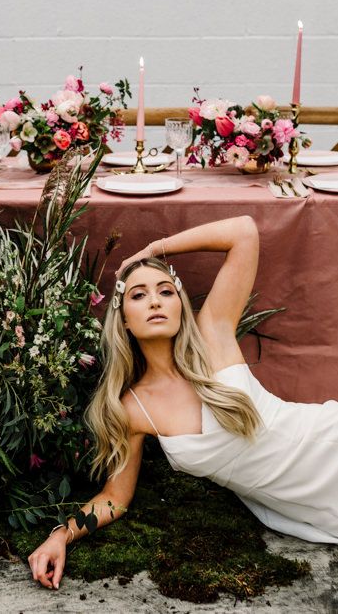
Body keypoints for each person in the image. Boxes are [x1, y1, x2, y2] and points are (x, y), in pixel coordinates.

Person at [28, 215, 338, 590]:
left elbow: (243, 232)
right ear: (124, 319)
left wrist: (154, 250)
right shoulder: (133, 408)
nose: (155, 301)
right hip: (304, 502)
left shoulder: (213, 335)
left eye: (165, 290)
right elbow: (115, 498)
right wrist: (61, 535)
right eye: (138, 295)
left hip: (326, 441)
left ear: (179, 305)